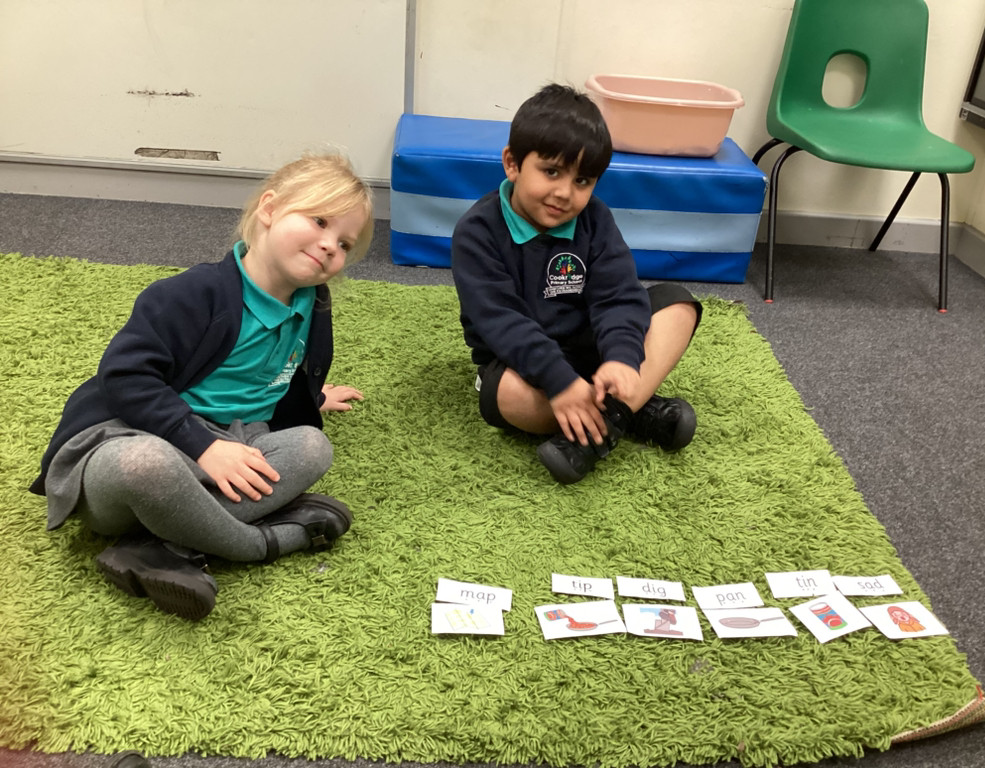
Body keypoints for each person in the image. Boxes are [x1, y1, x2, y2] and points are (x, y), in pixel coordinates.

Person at [28, 152, 374, 620]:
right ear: (270, 209)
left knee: (314, 447)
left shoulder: (312, 305)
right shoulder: (191, 294)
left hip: (234, 445)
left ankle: (157, 546)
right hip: (136, 439)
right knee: (146, 464)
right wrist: (203, 445)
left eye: (345, 243)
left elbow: (279, 368)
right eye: (319, 221)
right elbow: (124, 376)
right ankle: (256, 544)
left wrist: (314, 397)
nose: (331, 245)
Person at [451, 83, 702, 484]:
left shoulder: (595, 220)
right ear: (512, 163)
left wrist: (621, 358)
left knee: (678, 306)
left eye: (582, 181)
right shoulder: (476, 233)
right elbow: (502, 323)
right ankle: (629, 413)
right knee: (505, 396)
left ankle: (604, 423)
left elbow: (618, 296)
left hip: (594, 355)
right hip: (522, 366)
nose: (564, 193)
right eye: (551, 172)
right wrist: (560, 382)